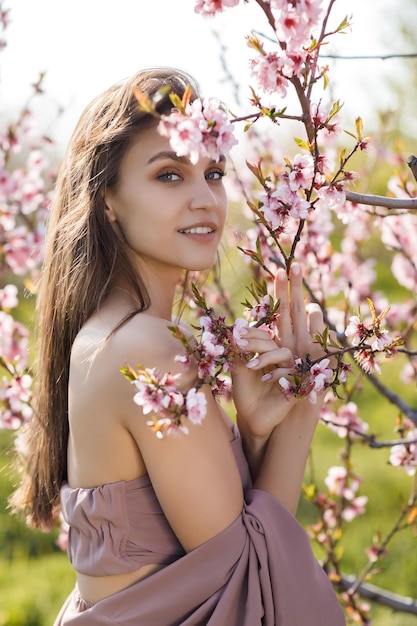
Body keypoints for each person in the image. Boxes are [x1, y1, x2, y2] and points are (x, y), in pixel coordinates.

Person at [10, 67, 346, 625]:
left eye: (213, 173)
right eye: (169, 176)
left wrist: (257, 433)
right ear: (108, 200)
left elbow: (234, 550)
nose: (204, 199)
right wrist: (303, 411)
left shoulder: (107, 335)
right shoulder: (144, 346)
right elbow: (253, 582)